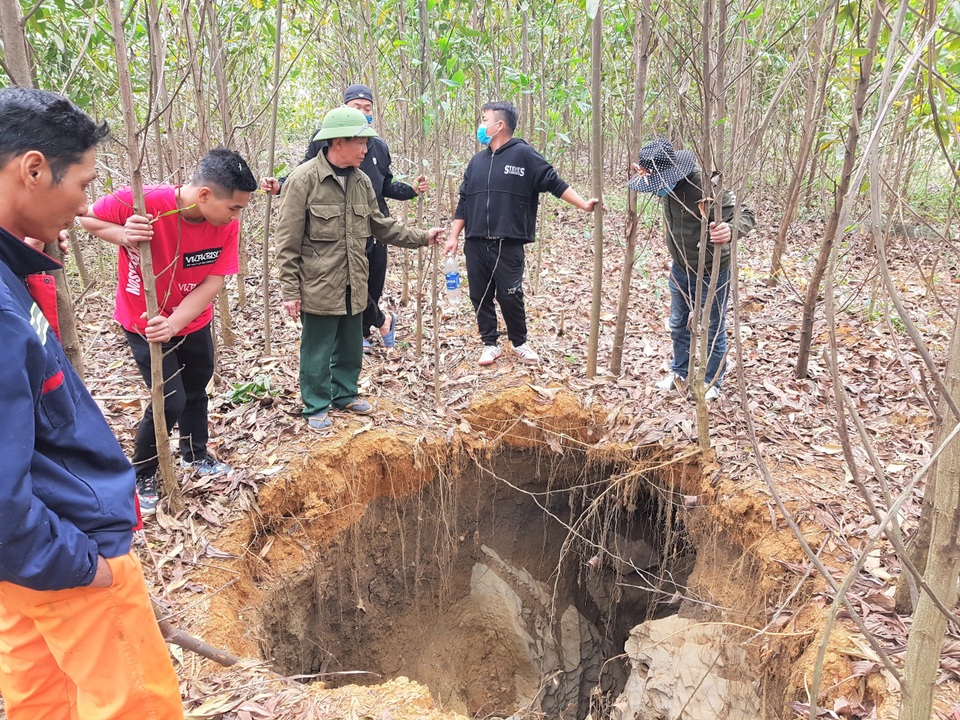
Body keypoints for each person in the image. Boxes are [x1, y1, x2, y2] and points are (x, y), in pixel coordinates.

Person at [0, 87, 183, 719]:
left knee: (39, 704)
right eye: (83, 182)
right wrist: (79, 562)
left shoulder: (10, 274)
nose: (84, 203)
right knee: (138, 706)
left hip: (20, 566)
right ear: (32, 169)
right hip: (60, 554)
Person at [79, 148, 258, 513]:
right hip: (143, 321)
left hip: (191, 320)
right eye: (234, 208)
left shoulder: (226, 224)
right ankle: (142, 473)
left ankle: (196, 454)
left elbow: (213, 281)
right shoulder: (146, 202)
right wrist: (123, 233)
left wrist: (176, 322)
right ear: (205, 195)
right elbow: (86, 219)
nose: (237, 216)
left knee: (196, 387)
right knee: (169, 398)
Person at [274, 106, 443, 431]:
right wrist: (290, 292)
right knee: (318, 348)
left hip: (356, 280)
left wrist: (423, 237)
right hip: (318, 284)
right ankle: (316, 405)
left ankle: (345, 394)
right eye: (360, 142)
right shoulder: (303, 180)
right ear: (338, 142)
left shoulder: (362, 181)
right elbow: (287, 242)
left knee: (351, 343)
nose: (366, 150)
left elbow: (381, 225)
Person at [262, 83, 428, 351]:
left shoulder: (377, 150)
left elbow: (385, 185)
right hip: (335, 233)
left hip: (371, 224)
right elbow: (304, 175)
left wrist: (411, 191)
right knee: (345, 285)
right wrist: (281, 185)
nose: (364, 148)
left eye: (368, 109)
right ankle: (374, 327)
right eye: (357, 108)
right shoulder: (322, 143)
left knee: (368, 286)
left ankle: (363, 332)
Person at [443, 101, 598, 366]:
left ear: (499, 125)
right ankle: (489, 343)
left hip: (509, 241)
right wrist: (454, 236)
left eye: (484, 120)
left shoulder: (524, 155)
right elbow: (464, 201)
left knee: (510, 293)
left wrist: (584, 204)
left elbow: (554, 182)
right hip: (476, 241)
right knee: (479, 294)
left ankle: (519, 342)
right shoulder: (477, 162)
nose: (481, 125)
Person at [628, 138, 755, 400]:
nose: (655, 189)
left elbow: (746, 214)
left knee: (712, 328)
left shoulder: (703, 186)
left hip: (712, 271)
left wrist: (729, 230)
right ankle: (680, 373)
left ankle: (711, 382)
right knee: (678, 325)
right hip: (680, 268)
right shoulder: (663, 185)